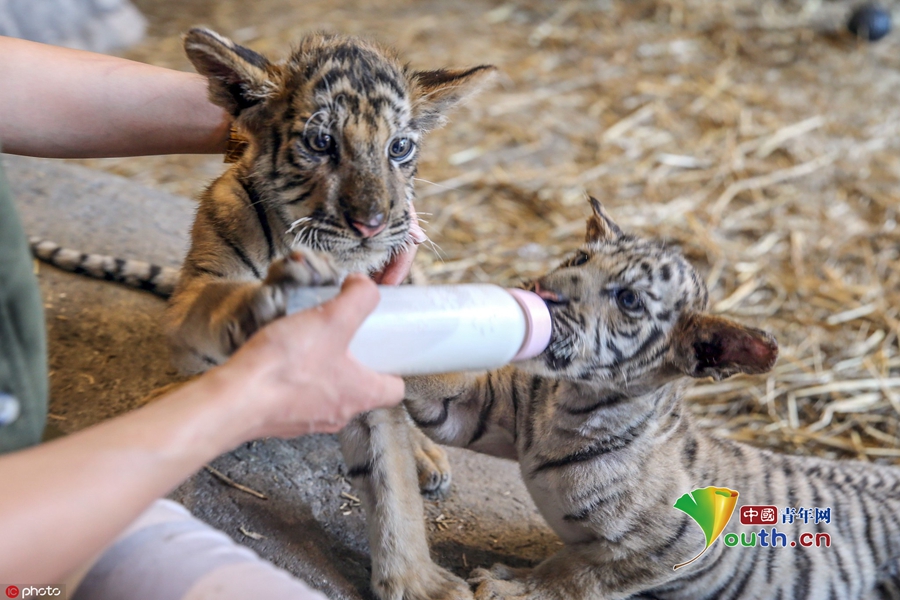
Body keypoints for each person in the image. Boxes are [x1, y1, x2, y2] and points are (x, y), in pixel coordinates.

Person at [0, 36, 416, 598]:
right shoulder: (233, 210)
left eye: (402, 150)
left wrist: (270, 116)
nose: (373, 212)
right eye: (319, 143)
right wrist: (235, 400)